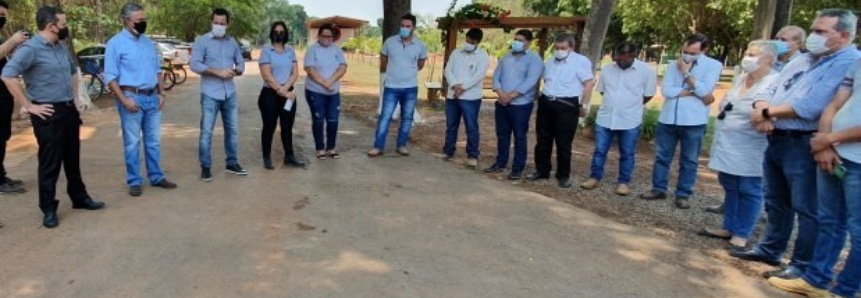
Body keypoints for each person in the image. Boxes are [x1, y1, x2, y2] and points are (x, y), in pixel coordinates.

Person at [731, 9, 861, 280]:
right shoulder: (804, 59)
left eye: (821, 32)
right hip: (778, 137)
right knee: (776, 200)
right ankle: (770, 249)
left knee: (807, 207)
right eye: (813, 30)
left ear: (845, 35)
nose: (813, 36)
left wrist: (766, 113)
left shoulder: (846, 61)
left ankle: (802, 264)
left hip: (805, 142)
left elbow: (810, 106)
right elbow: (770, 87)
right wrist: (762, 109)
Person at [1, 6, 105, 228]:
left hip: (68, 110)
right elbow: (7, 75)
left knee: (72, 158)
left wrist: (76, 101)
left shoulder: (60, 47)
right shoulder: (29, 49)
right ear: (51, 26)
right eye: (63, 24)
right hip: (47, 113)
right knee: (50, 163)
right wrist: (28, 105)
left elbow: (72, 72)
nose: (66, 28)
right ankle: (48, 208)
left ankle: (80, 198)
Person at [768, 57, 861, 298]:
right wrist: (825, 142)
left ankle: (845, 290)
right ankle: (816, 280)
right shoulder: (858, 63)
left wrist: (828, 139)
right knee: (829, 221)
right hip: (834, 153)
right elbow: (834, 105)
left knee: (858, 230)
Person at [696, 40, 779, 249]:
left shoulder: (774, 81)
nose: (747, 57)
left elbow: (766, 114)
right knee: (730, 185)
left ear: (768, 58)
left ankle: (741, 233)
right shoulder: (742, 78)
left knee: (749, 189)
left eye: (753, 54)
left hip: (751, 146)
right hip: (728, 142)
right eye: (747, 52)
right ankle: (729, 226)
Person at [639, 33, 722, 209]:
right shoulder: (671, 65)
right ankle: (658, 189)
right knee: (662, 156)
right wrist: (694, 92)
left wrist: (686, 74)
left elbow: (706, 90)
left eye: (692, 52)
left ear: (704, 50)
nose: (686, 55)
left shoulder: (713, 65)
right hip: (668, 119)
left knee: (689, 160)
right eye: (685, 51)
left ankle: (683, 194)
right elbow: (667, 91)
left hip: (694, 121)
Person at [104, 3, 177, 197]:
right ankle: (134, 180)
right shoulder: (115, 43)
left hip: (152, 97)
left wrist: (162, 93)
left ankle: (156, 177)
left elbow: (157, 70)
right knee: (132, 142)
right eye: (139, 21)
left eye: (144, 20)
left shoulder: (147, 42)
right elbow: (110, 77)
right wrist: (124, 100)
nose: (143, 23)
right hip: (130, 98)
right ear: (127, 21)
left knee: (153, 142)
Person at [580, 41, 656, 195]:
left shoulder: (646, 71)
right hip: (606, 118)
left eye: (626, 59)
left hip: (630, 119)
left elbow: (648, 94)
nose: (621, 61)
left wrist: (630, 105)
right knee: (600, 150)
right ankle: (594, 177)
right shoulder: (607, 70)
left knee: (627, 152)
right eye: (619, 58)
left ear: (633, 56)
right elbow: (602, 91)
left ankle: (623, 182)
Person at [527, 33, 593, 188]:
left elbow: (588, 84)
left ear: (571, 47)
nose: (559, 51)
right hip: (547, 102)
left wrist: (583, 105)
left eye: (563, 48)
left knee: (563, 143)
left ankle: (563, 175)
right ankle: (542, 170)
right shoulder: (550, 61)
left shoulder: (580, 62)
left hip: (566, 105)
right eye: (556, 47)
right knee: (543, 139)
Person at [191, 8, 246, 181]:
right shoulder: (202, 41)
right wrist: (216, 72)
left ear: (227, 24)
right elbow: (194, 64)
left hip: (229, 93)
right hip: (210, 94)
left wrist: (237, 71)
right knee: (206, 132)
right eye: (216, 22)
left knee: (233, 131)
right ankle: (206, 167)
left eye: (222, 23)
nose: (219, 26)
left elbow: (241, 62)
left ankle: (232, 163)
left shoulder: (233, 42)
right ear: (211, 21)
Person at [484, 29, 543, 180]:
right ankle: (501, 162)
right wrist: (500, 93)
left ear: (529, 42)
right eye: (515, 39)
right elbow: (497, 75)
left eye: (520, 40)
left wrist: (511, 96)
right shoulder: (506, 57)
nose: (516, 42)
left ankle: (517, 168)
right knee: (502, 135)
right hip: (502, 103)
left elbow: (531, 81)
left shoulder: (534, 59)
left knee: (519, 137)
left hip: (521, 105)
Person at [367, 13, 427, 157]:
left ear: (413, 27)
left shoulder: (420, 45)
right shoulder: (390, 42)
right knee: (385, 117)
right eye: (402, 26)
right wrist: (393, 72)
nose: (404, 28)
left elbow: (421, 64)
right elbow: (383, 59)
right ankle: (378, 146)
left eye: (407, 26)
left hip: (410, 88)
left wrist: (407, 72)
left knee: (407, 117)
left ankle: (401, 145)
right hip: (391, 87)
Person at [258, 21, 303, 170]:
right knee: (269, 126)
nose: (279, 34)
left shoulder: (290, 51)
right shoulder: (266, 51)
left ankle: (289, 156)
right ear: (272, 33)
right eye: (276, 32)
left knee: (287, 127)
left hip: (288, 93)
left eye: (281, 32)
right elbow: (267, 75)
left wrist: (286, 89)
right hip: (270, 94)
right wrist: (282, 90)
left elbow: (295, 72)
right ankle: (266, 157)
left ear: (285, 34)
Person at [442, 28, 489, 168]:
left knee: (471, 126)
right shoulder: (456, 53)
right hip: (453, 96)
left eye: (471, 41)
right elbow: (447, 70)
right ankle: (448, 151)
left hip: (471, 97)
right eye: (467, 40)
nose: (468, 43)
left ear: (477, 42)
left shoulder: (483, 56)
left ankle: (472, 155)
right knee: (451, 125)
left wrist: (462, 87)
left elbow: (479, 75)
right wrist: (455, 85)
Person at [304, 23, 347, 160]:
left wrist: (330, 82)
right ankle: (320, 148)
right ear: (319, 35)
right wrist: (324, 83)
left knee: (333, 120)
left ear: (333, 37)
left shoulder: (337, 50)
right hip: (315, 91)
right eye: (324, 36)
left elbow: (342, 67)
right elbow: (310, 69)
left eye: (329, 36)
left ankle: (331, 147)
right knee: (318, 119)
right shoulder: (312, 50)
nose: (327, 38)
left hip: (333, 92)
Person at [0, 0, 26, 195]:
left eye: (3, 16)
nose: (2, 19)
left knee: (3, 136)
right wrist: (11, 42)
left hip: (3, 95)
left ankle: (1, 175)